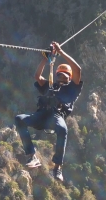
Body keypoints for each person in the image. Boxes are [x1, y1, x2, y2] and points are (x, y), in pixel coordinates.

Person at [15, 41, 83, 182]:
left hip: (56, 115)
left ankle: (57, 167)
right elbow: (37, 77)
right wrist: (45, 59)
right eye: (60, 75)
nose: (62, 78)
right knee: (19, 119)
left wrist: (61, 52)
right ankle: (32, 156)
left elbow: (78, 70)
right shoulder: (50, 85)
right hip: (42, 115)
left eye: (65, 76)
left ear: (69, 78)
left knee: (62, 130)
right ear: (57, 75)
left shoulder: (72, 90)